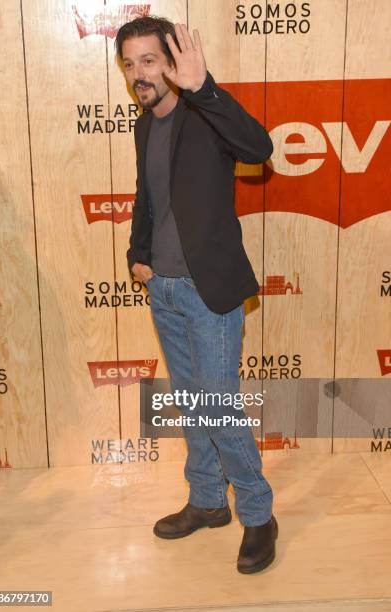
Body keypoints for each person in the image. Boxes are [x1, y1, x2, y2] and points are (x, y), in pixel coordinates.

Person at [114, 15, 278, 573]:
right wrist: (140, 257)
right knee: (192, 403)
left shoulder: (204, 115)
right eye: (130, 63)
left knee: (219, 407)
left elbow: (260, 146)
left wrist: (204, 87)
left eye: (150, 60)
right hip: (164, 289)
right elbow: (147, 197)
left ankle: (258, 514)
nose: (140, 73)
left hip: (210, 292)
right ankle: (208, 500)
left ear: (171, 61)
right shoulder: (144, 127)